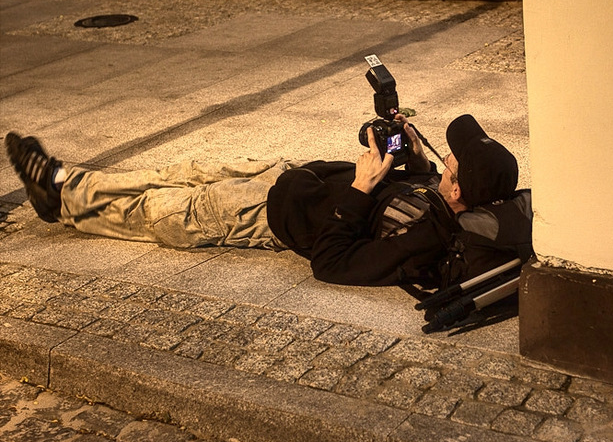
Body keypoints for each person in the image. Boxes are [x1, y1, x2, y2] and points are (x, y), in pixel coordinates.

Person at [4, 114, 529, 292]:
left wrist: (361, 189)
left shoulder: (424, 239)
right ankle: (64, 179)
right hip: (290, 175)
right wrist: (411, 157)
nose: (445, 159)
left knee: (166, 210)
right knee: (178, 172)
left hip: (266, 215)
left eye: (451, 164)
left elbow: (333, 263)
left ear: (458, 192)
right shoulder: (443, 195)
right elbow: (419, 187)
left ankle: (61, 200)